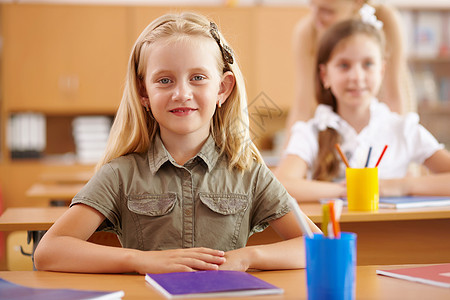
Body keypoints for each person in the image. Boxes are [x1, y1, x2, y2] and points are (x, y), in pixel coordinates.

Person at [34, 12, 319, 274]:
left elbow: (317, 247)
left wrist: (249, 257)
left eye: (197, 78)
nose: (182, 93)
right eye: (165, 80)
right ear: (143, 93)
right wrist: (139, 260)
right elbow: (48, 251)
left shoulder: (248, 172)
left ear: (222, 88)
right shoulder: (120, 174)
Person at [275, 19, 450, 202]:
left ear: (381, 71)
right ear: (325, 75)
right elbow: (281, 185)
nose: (357, 77)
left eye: (367, 64)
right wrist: (347, 189)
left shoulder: (403, 129)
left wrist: (403, 185)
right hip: (335, 231)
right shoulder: (311, 132)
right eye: (344, 65)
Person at [285, 0, 415, 146]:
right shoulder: (307, 32)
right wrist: (289, 152)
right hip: (338, 127)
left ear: (358, 3)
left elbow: (394, 97)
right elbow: (302, 107)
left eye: (328, 11)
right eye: (312, 6)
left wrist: (400, 152)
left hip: (383, 116)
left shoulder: (386, 20)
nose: (316, 18)